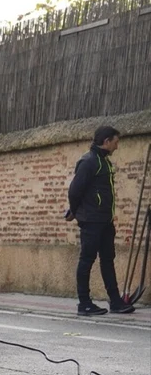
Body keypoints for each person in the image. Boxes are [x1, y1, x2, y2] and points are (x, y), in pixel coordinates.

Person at [67, 125, 134, 316]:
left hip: (105, 221)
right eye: (116, 142)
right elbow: (74, 191)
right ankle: (84, 303)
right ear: (106, 142)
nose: (117, 146)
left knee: (107, 260)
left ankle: (116, 301)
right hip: (91, 222)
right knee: (87, 260)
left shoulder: (104, 162)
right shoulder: (89, 162)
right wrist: (75, 212)